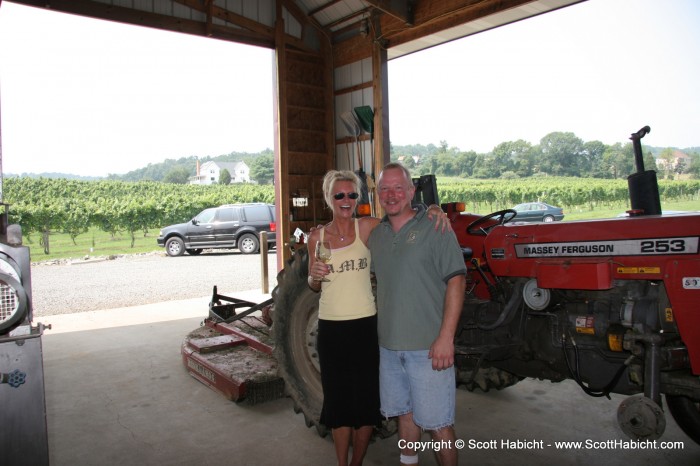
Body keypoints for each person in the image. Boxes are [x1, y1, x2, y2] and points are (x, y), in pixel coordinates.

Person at [307, 169, 450, 466]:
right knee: (338, 405)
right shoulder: (316, 238)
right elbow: (313, 283)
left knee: (364, 405)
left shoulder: (369, 228)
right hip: (331, 329)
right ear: (329, 199)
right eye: (339, 195)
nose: (346, 200)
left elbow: (403, 216)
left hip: (365, 328)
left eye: (352, 194)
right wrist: (314, 277)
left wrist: (432, 209)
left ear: (358, 198)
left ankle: (357, 462)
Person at [368, 162, 467, 466]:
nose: (392, 194)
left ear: (412, 191)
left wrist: (446, 338)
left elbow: (457, 279)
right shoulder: (377, 235)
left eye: (399, 187)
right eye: (385, 188)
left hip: (428, 349)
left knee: (440, 425)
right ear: (378, 194)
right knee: (404, 414)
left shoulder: (435, 227)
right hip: (388, 348)